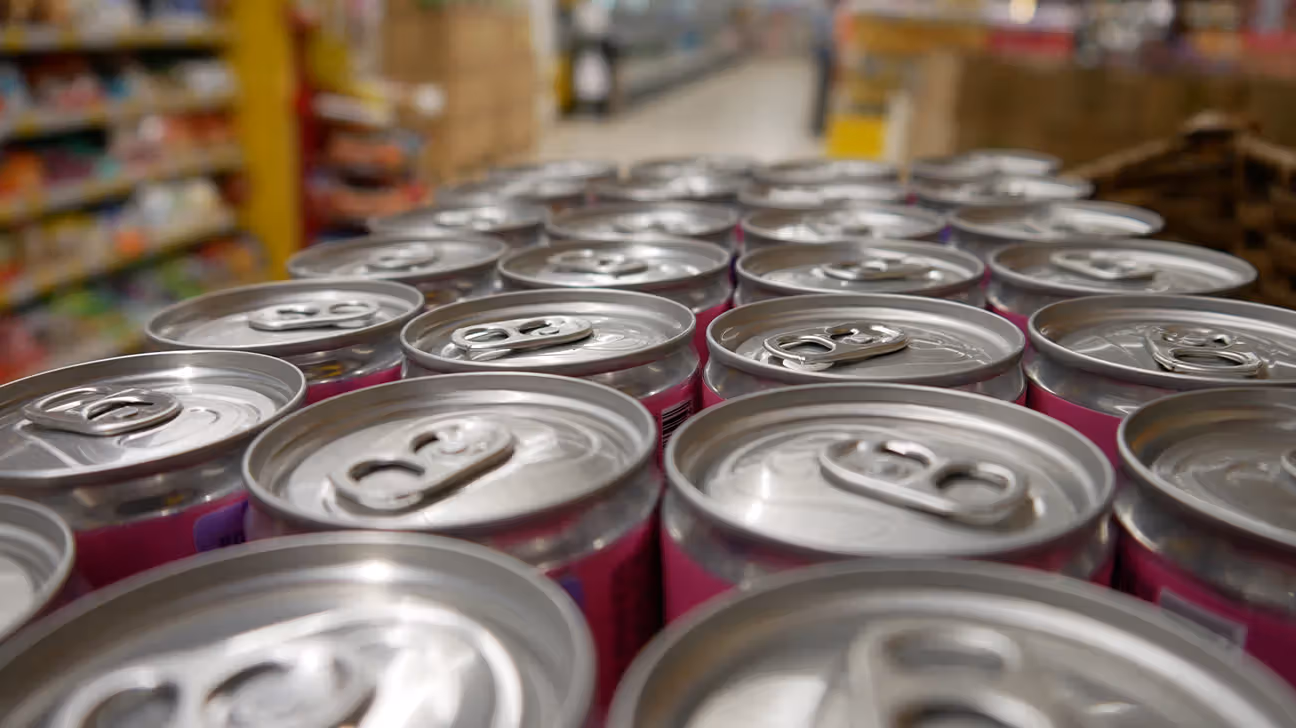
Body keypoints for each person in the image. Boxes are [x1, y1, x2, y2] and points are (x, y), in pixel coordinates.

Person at [811, 0, 842, 137]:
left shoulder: (827, 11)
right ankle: (818, 126)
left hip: (825, 53)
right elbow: (830, 37)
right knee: (823, 91)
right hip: (825, 54)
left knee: (823, 91)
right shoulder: (825, 13)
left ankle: (820, 124)